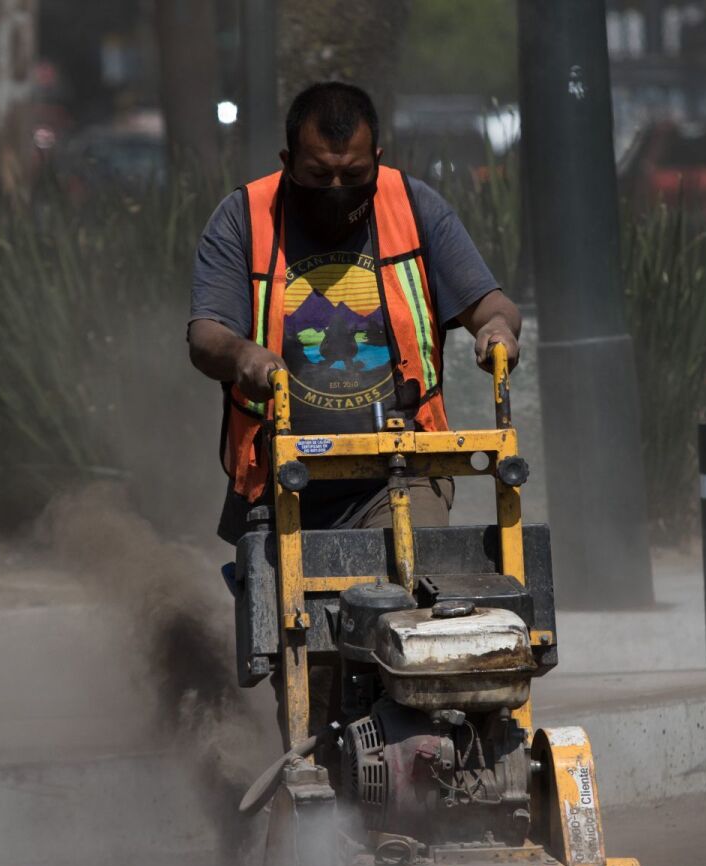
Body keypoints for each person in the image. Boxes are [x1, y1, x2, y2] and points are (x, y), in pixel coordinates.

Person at [188, 81, 521, 543]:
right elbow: (206, 334)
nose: (338, 189)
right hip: (278, 474)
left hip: (400, 471)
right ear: (288, 163)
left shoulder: (415, 205)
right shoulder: (243, 217)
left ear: (377, 160)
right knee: (280, 608)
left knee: (408, 578)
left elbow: (491, 306)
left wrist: (498, 330)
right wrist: (244, 356)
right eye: (320, 176)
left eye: (354, 174)